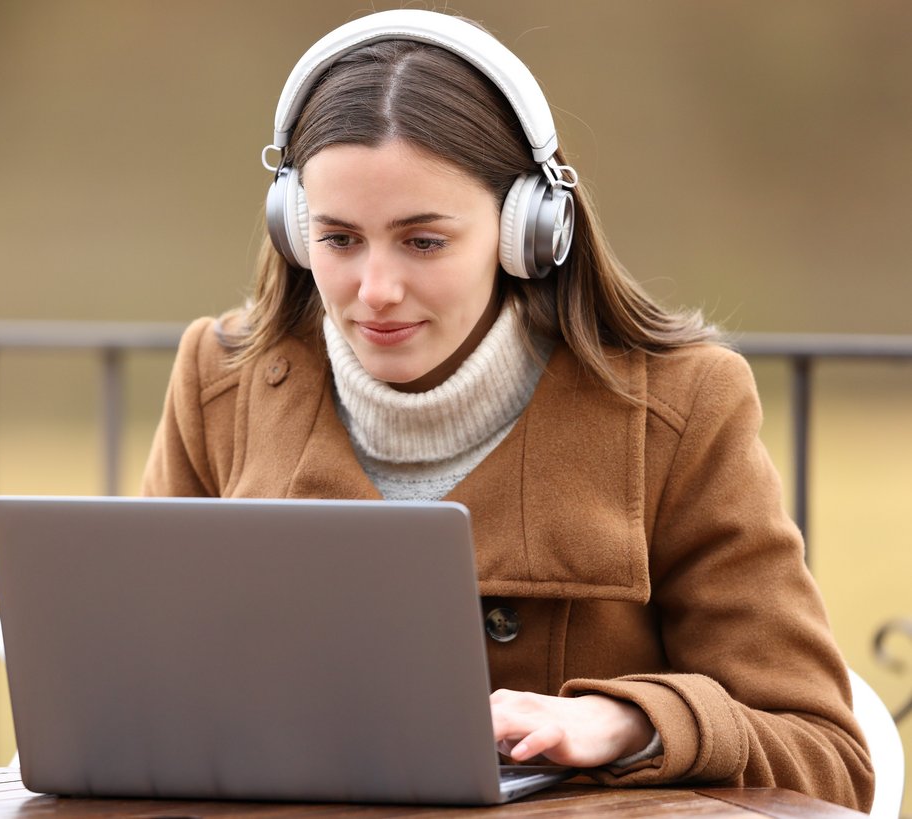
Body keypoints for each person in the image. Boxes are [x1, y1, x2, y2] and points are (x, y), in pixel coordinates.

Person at [140, 9, 872, 812]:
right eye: (339, 239)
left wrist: (629, 722)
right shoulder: (220, 380)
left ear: (527, 231)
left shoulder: (682, 407)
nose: (375, 290)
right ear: (292, 225)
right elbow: (134, 701)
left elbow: (828, 759)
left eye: (423, 242)